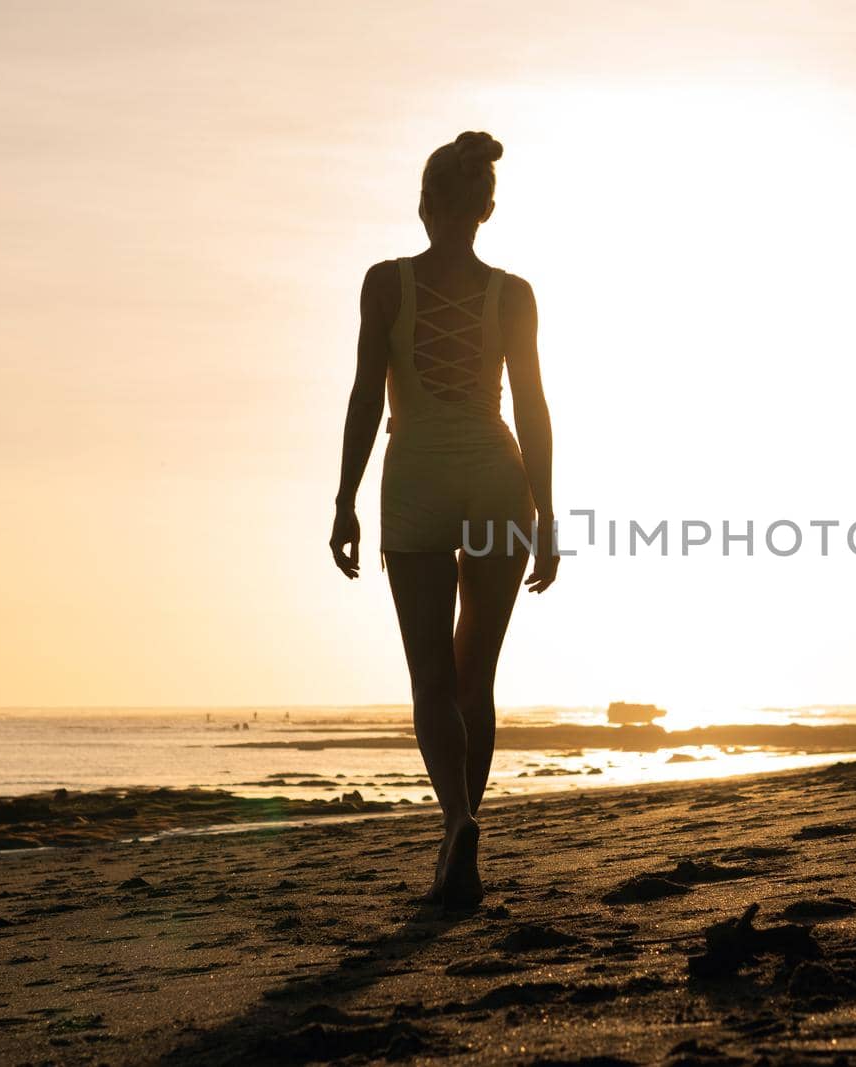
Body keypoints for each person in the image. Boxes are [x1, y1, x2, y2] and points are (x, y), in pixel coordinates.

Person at [330, 131, 558, 909]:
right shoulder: (515, 293)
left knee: (431, 677)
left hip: (419, 473)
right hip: (499, 478)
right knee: (475, 678)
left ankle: (456, 822)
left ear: (425, 205)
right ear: (486, 210)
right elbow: (530, 405)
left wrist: (343, 500)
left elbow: (367, 395)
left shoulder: (385, 284)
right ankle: (465, 832)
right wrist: (550, 512)